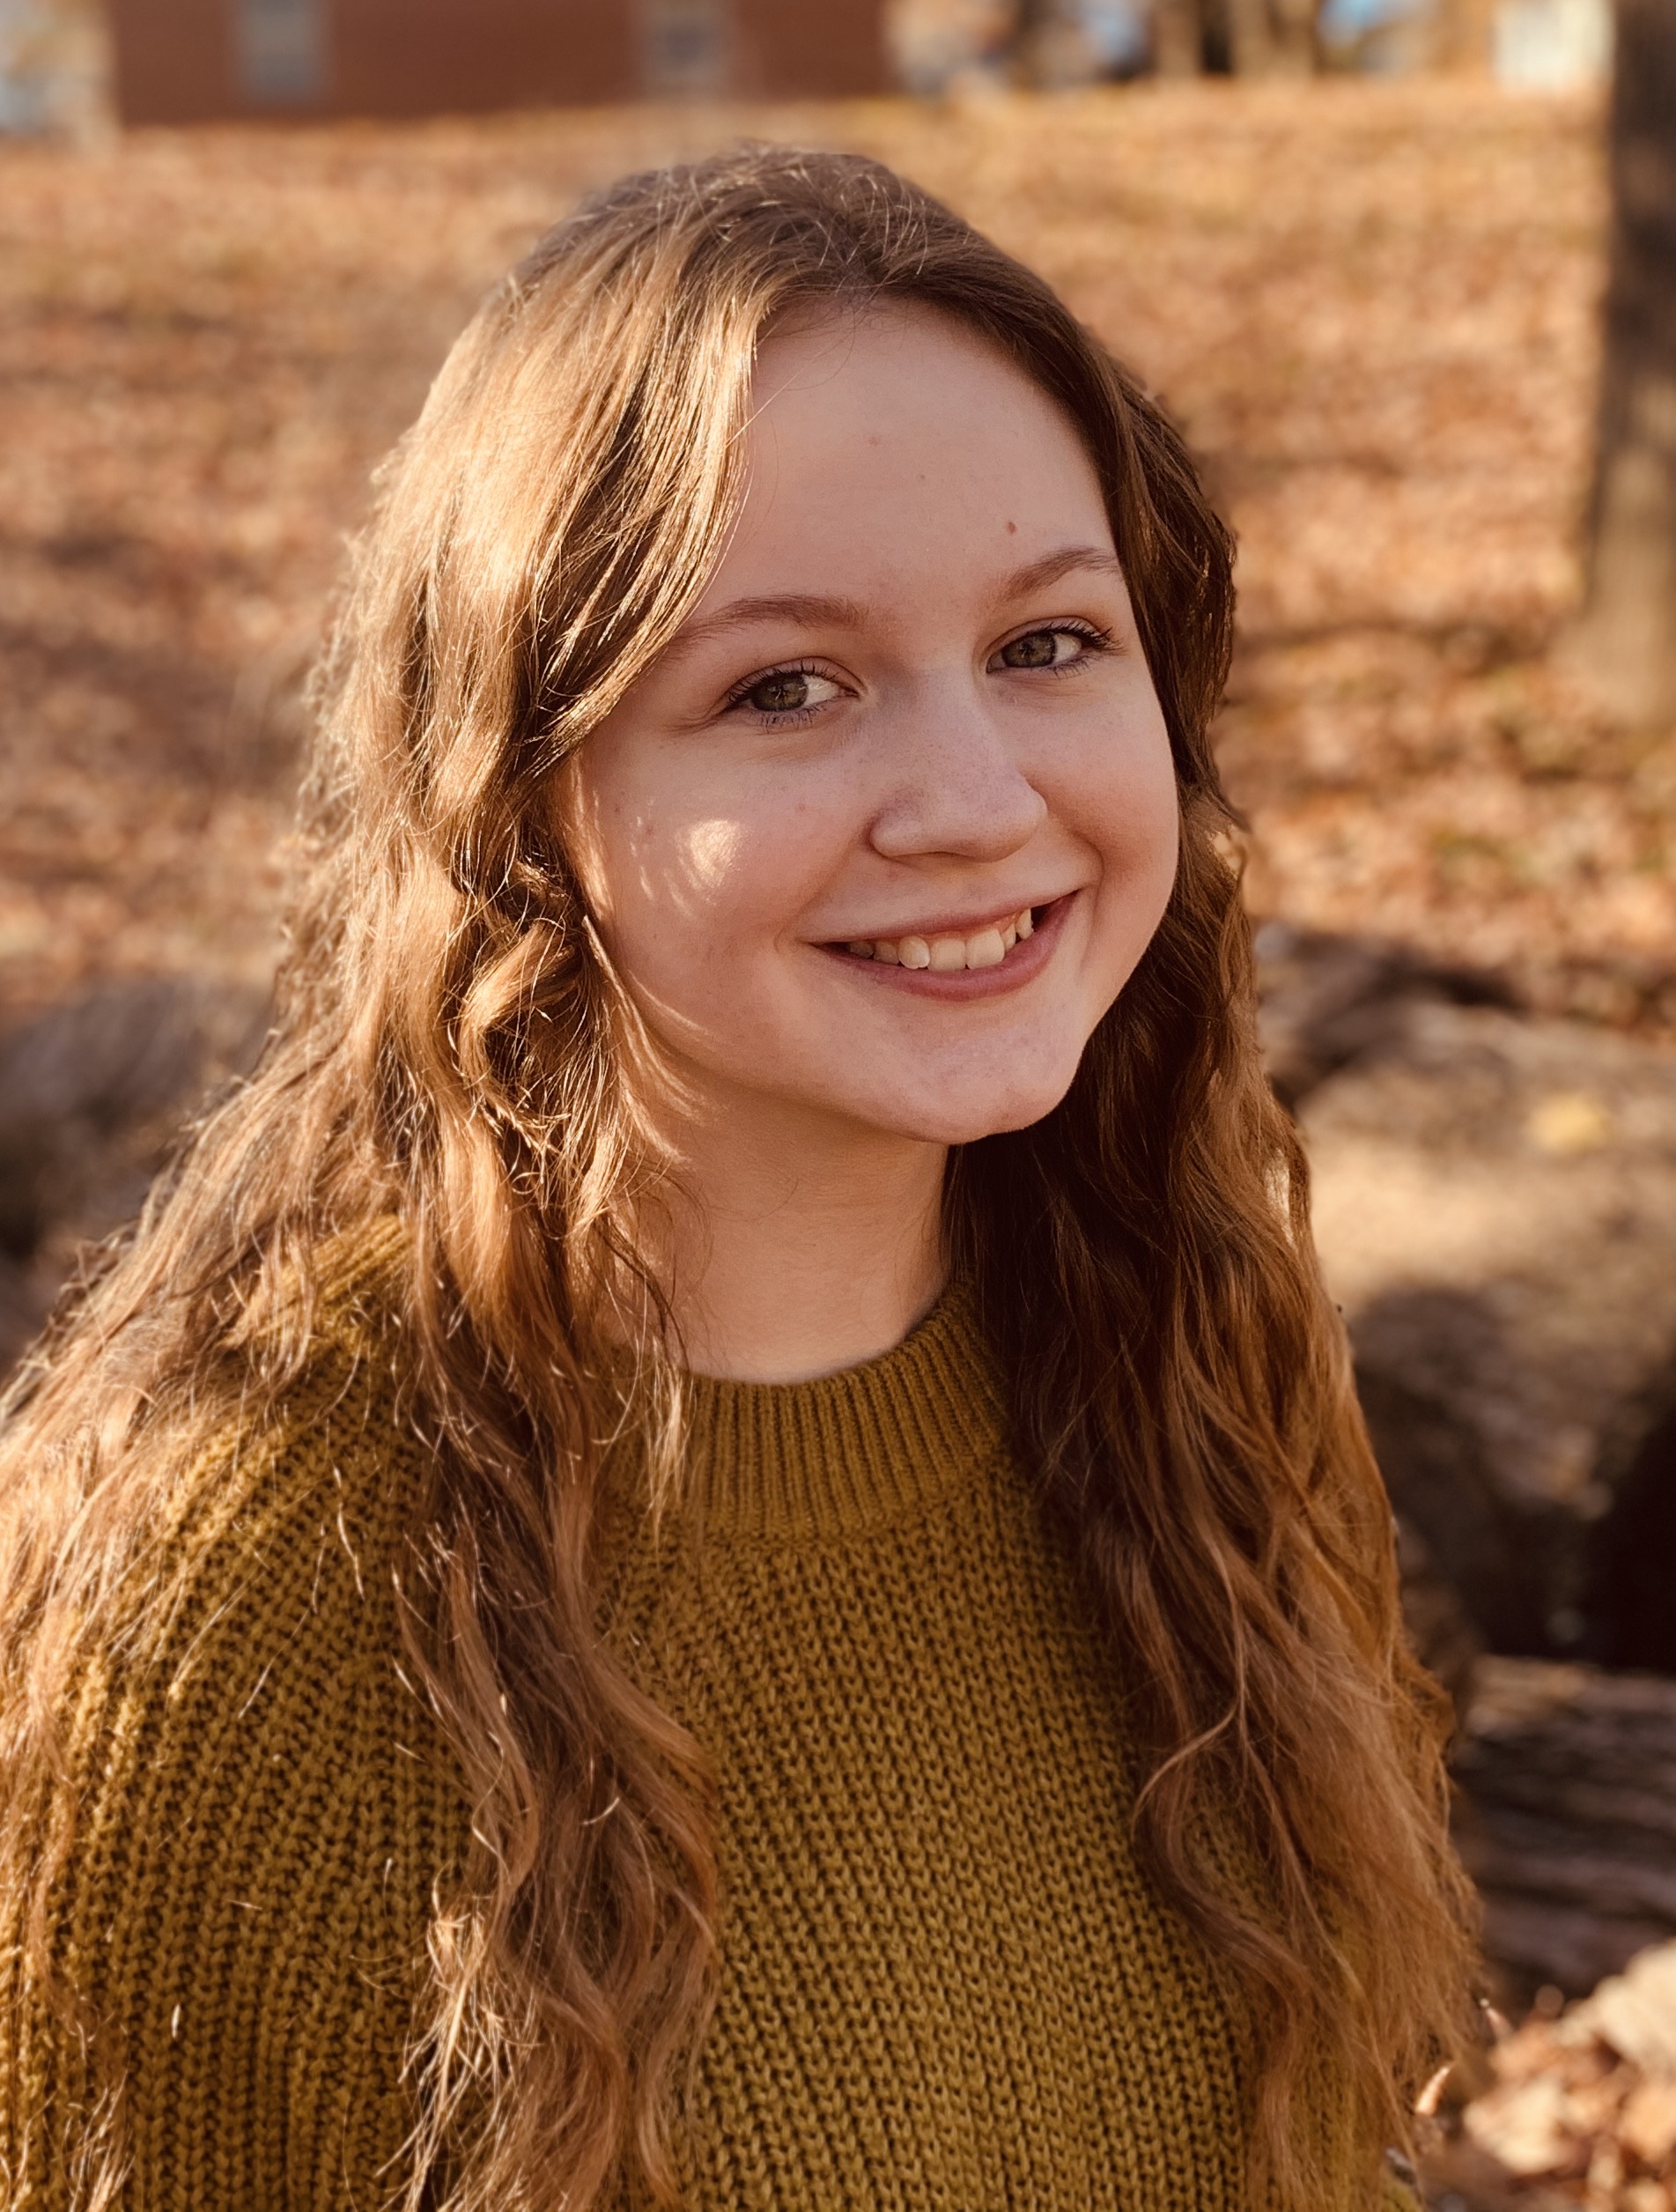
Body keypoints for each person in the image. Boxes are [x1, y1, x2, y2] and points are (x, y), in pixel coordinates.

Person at [0, 147, 1473, 2210]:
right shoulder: (258, 1591)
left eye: (1050, 643)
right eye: (786, 687)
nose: (976, 802)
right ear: (521, 802)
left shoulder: (1187, 1367)